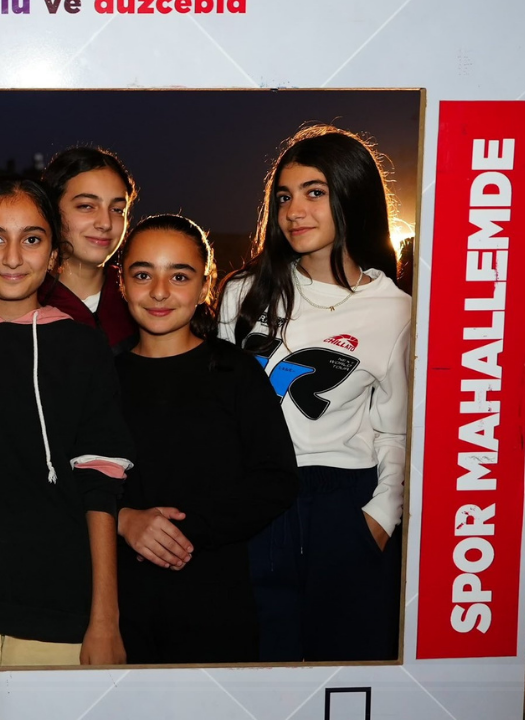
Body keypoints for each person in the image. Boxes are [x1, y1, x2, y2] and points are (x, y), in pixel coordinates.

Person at [0, 176, 133, 668]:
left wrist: (104, 619)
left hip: (59, 615)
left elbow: (100, 489)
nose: (13, 257)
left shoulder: (84, 348)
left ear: (54, 253)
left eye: (32, 239)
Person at [218, 125, 410, 662]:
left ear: (352, 194)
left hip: (341, 503)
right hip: (254, 503)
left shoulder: (396, 310)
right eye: (284, 197)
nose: (294, 211)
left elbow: (395, 430)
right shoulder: (243, 292)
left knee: (343, 673)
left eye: (314, 192)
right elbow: (218, 410)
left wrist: (379, 518)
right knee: (257, 668)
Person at [113, 214, 298, 664]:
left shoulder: (236, 372)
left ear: (205, 285)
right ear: (121, 283)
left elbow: (276, 480)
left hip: (217, 604)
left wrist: (183, 529)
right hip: (121, 606)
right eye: (143, 274)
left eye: (179, 276)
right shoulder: (100, 375)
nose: (160, 292)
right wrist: (122, 519)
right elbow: (70, 480)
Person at [38, 146, 138, 353]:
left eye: (117, 210)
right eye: (86, 206)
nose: (105, 223)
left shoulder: (140, 295)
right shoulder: (27, 299)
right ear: (51, 210)